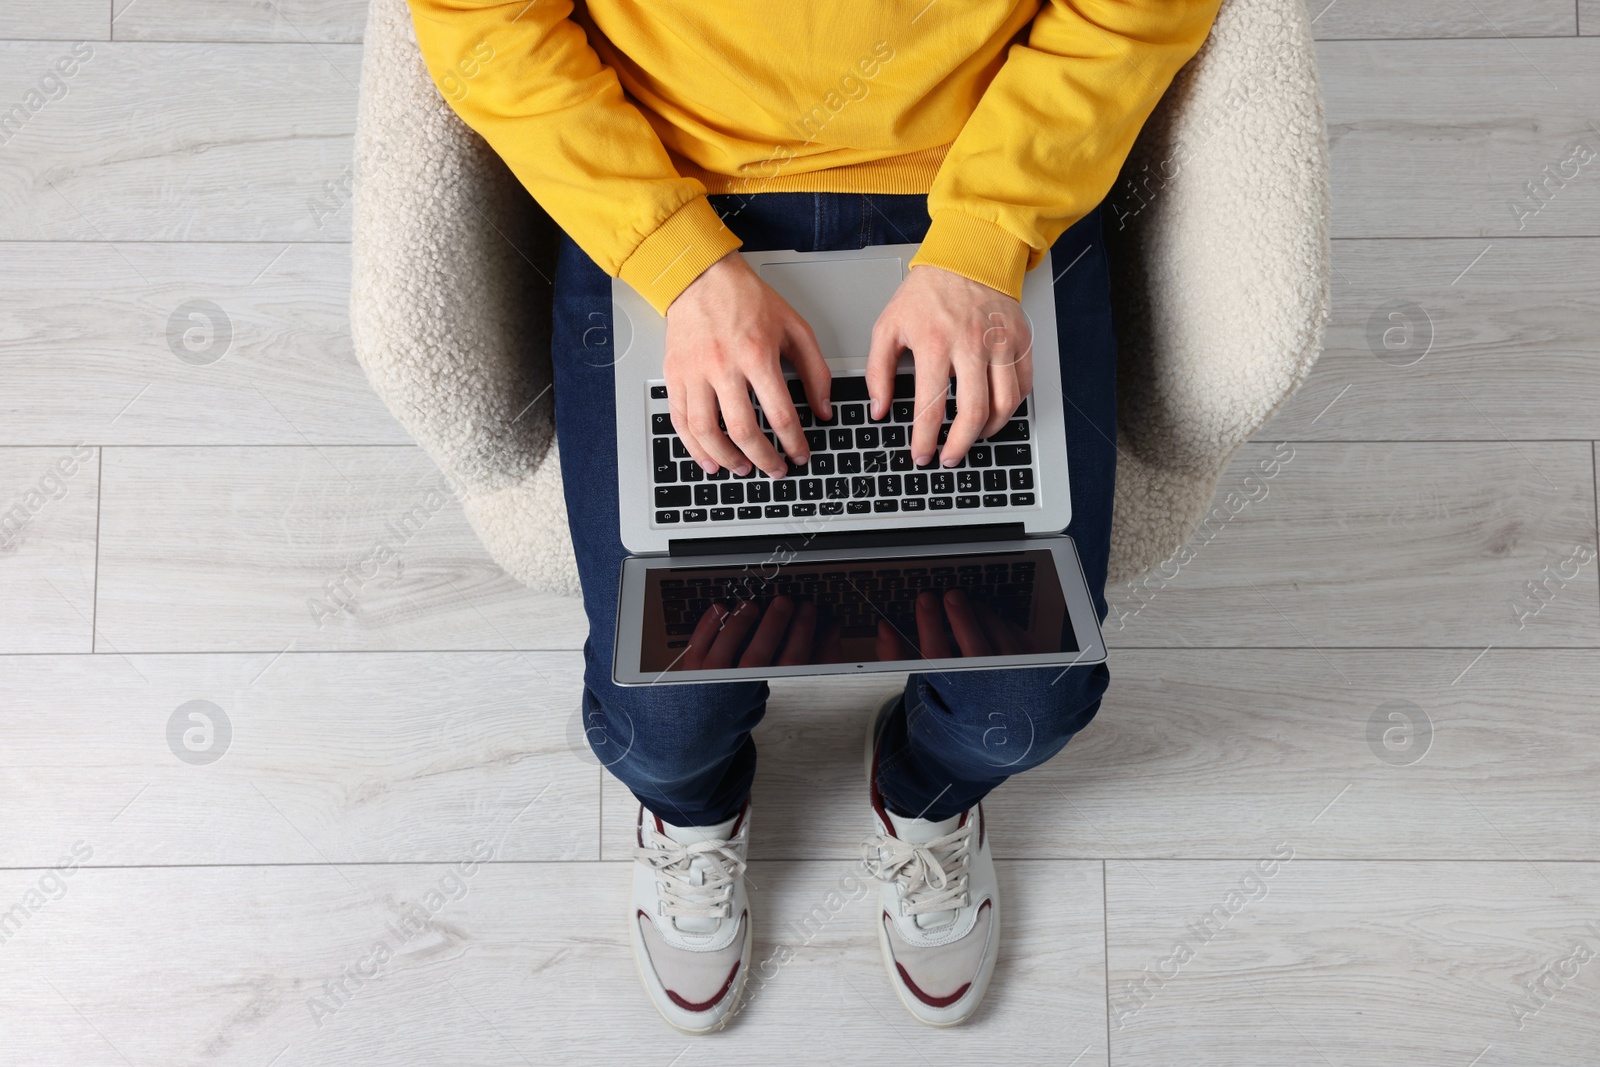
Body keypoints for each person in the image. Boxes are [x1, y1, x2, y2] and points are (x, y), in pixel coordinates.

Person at [409, 0, 1220, 1033]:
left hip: (980, 166)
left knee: (1028, 696)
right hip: (674, 178)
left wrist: (980, 241)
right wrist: (680, 264)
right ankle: (694, 806)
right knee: (664, 710)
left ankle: (923, 792)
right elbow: (481, 21)